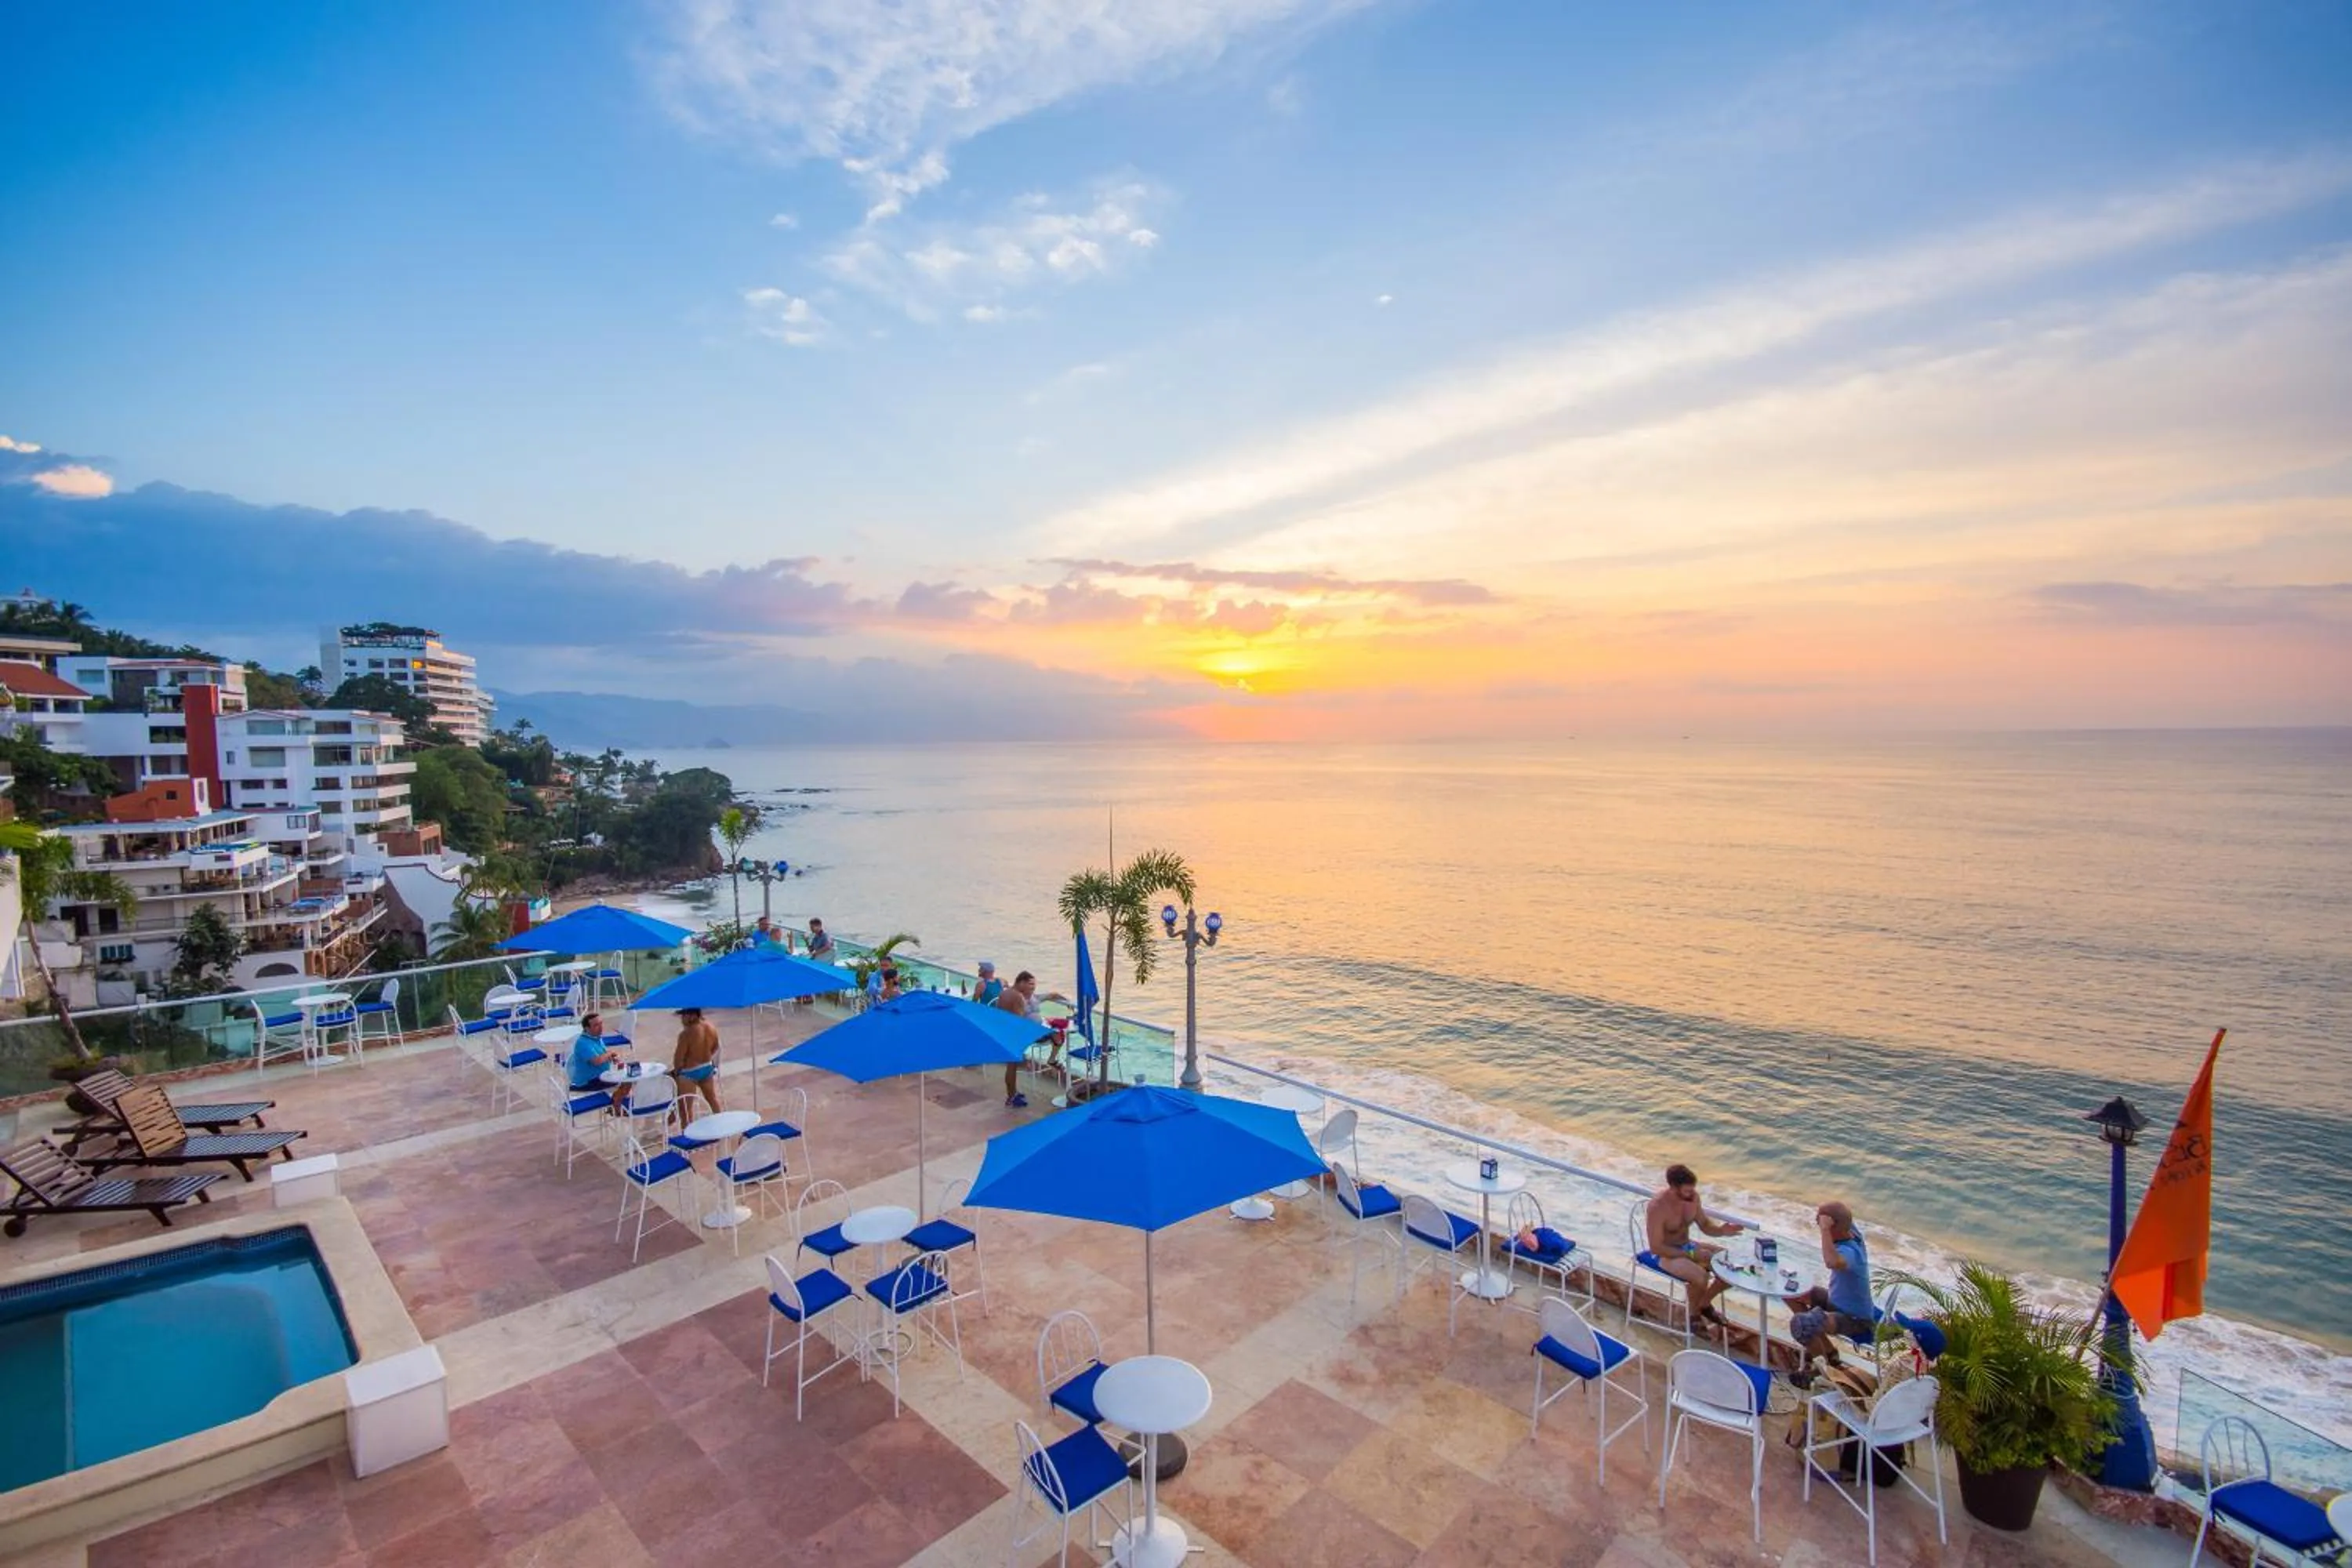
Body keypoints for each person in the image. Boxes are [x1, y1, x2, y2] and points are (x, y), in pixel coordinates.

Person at [1646, 1163, 1745, 1330]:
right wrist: (1693, 1255)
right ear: (1673, 1188)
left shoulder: (1693, 1198)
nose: (1691, 1194)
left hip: (1687, 1246)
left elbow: (1705, 1225)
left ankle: (1704, 1304)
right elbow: (1656, 1247)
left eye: (1693, 1189)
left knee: (1731, 1264)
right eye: (1687, 1191)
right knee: (1700, 1276)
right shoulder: (1658, 1207)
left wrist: (1722, 1230)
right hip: (1665, 1254)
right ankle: (1693, 1315)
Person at [1784, 1201, 1875, 1385]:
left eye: (1820, 1222)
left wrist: (1825, 1230)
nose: (1818, 1224)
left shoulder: (1850, 1252)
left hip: (1855, 1319)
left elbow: (1832, 1262)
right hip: (1836, 1302)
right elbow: (1843, 1215)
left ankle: (1821, 1369)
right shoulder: (1852, 1233)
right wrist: (1828, 1220)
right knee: (1792, 1291)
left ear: (1832, 1226)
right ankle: (1828, 1352)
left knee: (1802, 1324)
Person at [568, 1012, 630, 1111]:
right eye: (596, 1025)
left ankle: (615, 1103)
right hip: (588, 1081)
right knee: (628, 1080)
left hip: (601, 1076)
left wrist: (612, 1058)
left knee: (629, 1077)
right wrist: (609, 1054)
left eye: (601, 1023)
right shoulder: (583, 1043)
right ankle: (616, 1107)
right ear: (587, 1029)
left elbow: (603, 1055)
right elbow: (597, 1061)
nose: (601, 1027)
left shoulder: (596, 1038)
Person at [671, 1007, 721, 1114]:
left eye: (683, 1016)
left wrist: (676, 1073)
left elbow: (678, 1058)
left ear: (692, 1016)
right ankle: (724, 1127)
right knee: (712, 1100)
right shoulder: (711, 1027)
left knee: (685, 1109)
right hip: (707, 1067)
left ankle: (684, 1129)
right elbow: (716, 1047)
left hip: (689, 1072)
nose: (682, 1020)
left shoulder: (686, 1034)